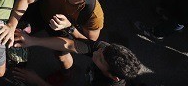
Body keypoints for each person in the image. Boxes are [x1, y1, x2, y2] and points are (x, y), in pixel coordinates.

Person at [0, 0, 103, 81]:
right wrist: (11, 25)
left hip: (65, 29)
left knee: (62, 56)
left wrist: (69, 27)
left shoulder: (93, 14)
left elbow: (88, 43)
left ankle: (66, 73)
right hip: (41, 11)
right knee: (18, 32)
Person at [13, 33, 142, 86]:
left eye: (101, 59)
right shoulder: (104, 50)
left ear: (114, 78)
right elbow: (70, 45)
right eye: (102, 50)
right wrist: (32, 41)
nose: (97, 52)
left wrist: (37, 81)